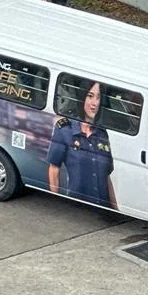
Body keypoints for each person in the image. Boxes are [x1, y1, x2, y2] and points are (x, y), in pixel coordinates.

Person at [47, 80, 114, 208]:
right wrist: (56, 204)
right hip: (77, 207)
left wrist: (115, 209)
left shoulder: (102, 133)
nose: (94, 103)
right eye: (90, 96)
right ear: (82, 98)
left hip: (103, 210)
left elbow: (107, 178)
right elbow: (54, 169)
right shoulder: (65, 129)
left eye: (98, 98)